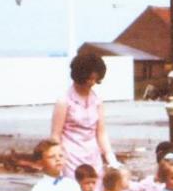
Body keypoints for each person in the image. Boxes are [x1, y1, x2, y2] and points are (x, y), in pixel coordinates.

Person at [50, 52, 120, 180]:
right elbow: (55, 135)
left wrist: (110, 157)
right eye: (89, 79)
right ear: (80, 76)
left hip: (93, 157)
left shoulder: (97, 100)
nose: (92, 82)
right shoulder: (64, 101)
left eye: (95, 79)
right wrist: (57, 162)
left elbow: (101, 133)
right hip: (71, 159)